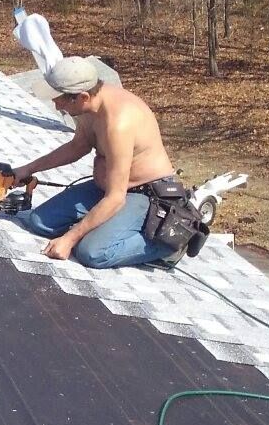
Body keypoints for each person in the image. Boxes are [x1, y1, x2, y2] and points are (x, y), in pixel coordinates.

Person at [13, 57, 187, 268]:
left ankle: (167, 245)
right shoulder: (87, 106)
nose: (56, 105)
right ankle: (101, 226)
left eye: (60, 100)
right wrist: (28, 169)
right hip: (110, 189)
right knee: (40, 222)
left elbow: (116, 197)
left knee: (91, 252)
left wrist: (70, 238)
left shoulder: (119, 124)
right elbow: (78, 146)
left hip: (146, 194)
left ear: (83, 97)